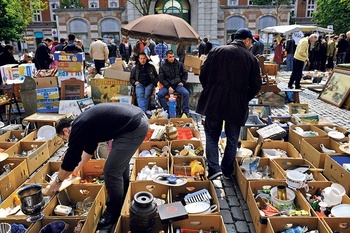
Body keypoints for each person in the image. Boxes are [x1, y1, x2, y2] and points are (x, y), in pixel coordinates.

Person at [50, 103, 149, 227]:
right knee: (118, 164)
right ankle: (123, 196)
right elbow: (89, 150)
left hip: (134, 126)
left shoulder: (77, 128)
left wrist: (58, 180)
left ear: (66, 130)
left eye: (64, 139)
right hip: (134, 120)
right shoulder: (84, 124)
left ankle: (113, 212)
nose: (67, 141)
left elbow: (71, 157)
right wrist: (77, 169)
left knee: (111, 171)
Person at [196, 28, 261, 180]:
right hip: (236, 104)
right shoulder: (251, 59)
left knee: (212, 135)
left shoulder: (216, 51)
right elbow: (256, 86)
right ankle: (226, 170)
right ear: (246, 40)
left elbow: (203, 74)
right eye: (251, 42)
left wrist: (211, 90)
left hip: (215, 101)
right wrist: (244, 97)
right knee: (232, 138)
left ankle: (213, 169)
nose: (251, 45)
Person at [157, 50, 190, 116]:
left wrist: (182, 81)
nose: (172, 58)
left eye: (173, 56)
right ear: (167, 57)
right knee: (160, 95)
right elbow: (161, 78)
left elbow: (185, 73)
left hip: (177, 85)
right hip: (167, 86)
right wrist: (168, 86)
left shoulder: (179, 64)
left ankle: (185, 111)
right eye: (170, 57)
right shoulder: (163, 67)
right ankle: (167, 110)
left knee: (186, 93)